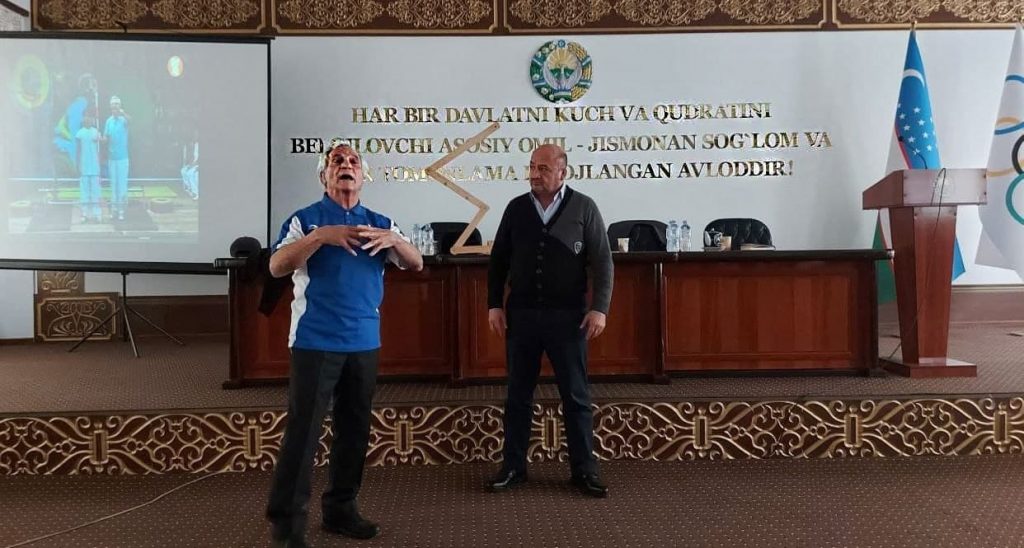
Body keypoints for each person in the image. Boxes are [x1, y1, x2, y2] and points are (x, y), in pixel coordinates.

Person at [266, 138, 423, 547]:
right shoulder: (306, 220)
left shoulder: (379, 222)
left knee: (354, 431)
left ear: (363, 176)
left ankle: (341, 509)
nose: (346, 165)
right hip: (315, 340)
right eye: (337, 160)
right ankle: (287, 524)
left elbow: (416, 262)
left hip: (363, 341)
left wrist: (396, 241)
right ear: (325, 175)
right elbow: (277, 265)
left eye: (353, 160)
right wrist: (321, 237)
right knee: (304, 432)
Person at [486, 143, 613, 498]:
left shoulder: (584, 207)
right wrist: (494, 304)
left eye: (542, 168)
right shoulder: (516, 208)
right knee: (518, 395)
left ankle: (584, 469)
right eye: (532, 167)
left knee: (576, 395)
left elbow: (603, 261)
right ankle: (513, 466)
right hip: (522, 316)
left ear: (562, 172)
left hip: (568, 318)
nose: (535, 174)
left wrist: (600, 308)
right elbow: (498, 261)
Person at [103, 95, 130, 220]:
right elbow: (106, 137)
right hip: (112, 158)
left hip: (123, 158)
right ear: (110, 107)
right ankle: (114, 209)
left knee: (122, 185)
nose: (115, 108)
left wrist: (123, 113)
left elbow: (130, 120)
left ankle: (121, 211)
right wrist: (100, 138)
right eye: (113, 106)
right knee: (113, 184)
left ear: (120, 106)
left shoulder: (124, 120)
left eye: (117, 105)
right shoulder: (108, 121)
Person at [75, 115, 102, 223]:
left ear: (92, 121)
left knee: (96, 192)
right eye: (86, 119)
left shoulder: (96, 132)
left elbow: (100, 149)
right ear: (83, 121)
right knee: (84, 193)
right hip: (84, 167)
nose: (88, 121)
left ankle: (97, 214)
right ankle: (84, 214)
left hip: (95, 167)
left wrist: (100, 139)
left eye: (90, 119)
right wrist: (78, 165)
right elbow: (78, 150)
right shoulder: (79, 133)